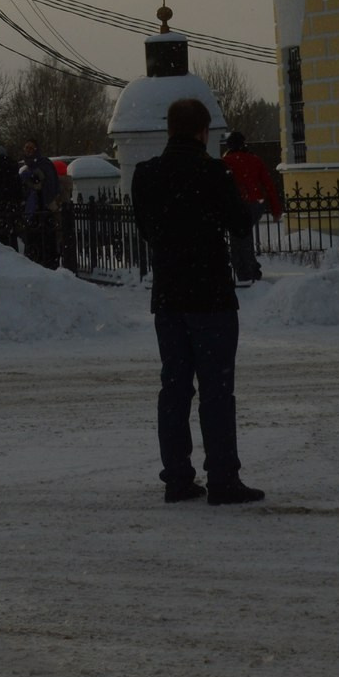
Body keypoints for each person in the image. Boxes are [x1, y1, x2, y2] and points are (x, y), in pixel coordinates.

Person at [131, 98, 263, 506]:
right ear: (203, 132)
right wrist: (250, 209)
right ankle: (222, 478)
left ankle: (177, 477)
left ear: (170, 129)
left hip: (169, 297)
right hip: (211, 296)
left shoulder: (146, 175)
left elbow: (147, 229)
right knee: (216, 390)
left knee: (174, 388)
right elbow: (239, 224)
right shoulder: (213, 173)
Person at [219, 136, 273, 285]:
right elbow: (268, 184)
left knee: (238, 238)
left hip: (235, 204)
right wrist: (275, 208)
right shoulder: (254, 160)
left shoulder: (225, 162)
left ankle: (245, 270)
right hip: (255, 203)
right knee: (244, 236)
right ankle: (250, 269)